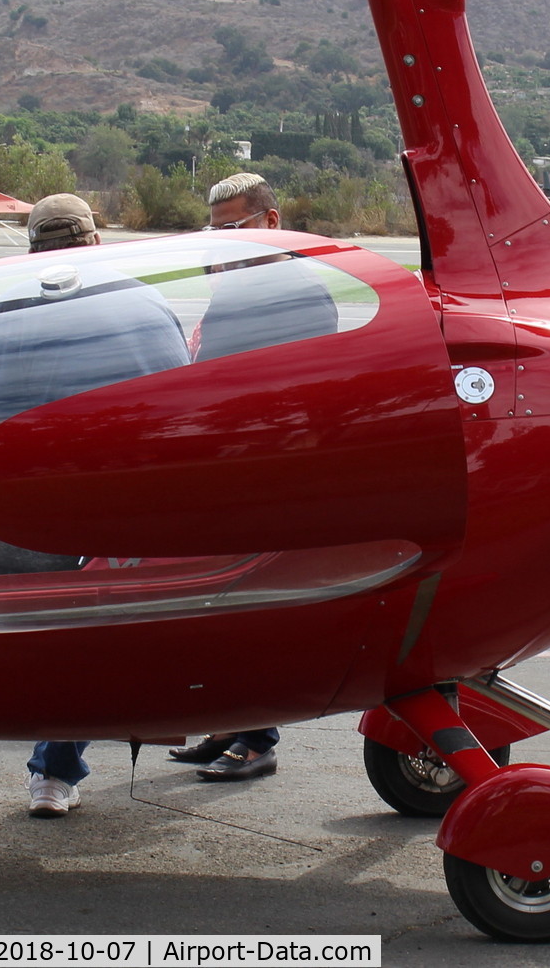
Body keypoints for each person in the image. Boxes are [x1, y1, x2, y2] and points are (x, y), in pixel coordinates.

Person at [0, 193, 192, 817]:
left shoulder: (21, 301)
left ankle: (52, 761)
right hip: (153, 506)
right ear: (95, 240)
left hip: (87, 510)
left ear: (36, 250)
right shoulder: (149, 298)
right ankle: (59, 755)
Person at [163, 173, 335, 782]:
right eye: (214, 231)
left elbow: (304, 399)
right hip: (227, 471)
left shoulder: (297, 293)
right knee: (218, 609)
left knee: (252, 612)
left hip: (266, 476)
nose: (221, 243)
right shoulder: (240, 290)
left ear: (270, 221)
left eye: (232, 228)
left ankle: (257, 737)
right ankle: (230, 725)